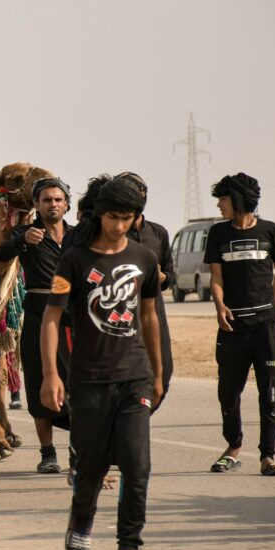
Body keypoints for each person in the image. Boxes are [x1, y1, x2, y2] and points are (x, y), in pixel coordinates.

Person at [41, 177, 163, 550]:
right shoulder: (74, 260)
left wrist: (158, 373)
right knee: (91, 467)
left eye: (127, 218)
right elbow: (52, 318)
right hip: (89, 379)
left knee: (137, 464)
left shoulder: (144, 258)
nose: (119, 226)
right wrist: (50, 375)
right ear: (99, 215)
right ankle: (82, 519)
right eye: (112, 217)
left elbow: (148, 317)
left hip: (135, 376)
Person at [205, 173, 275, 477]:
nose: (219, 204)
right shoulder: (218, 233)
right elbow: (216, 278)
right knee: (228, 393)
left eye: (223, 199)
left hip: (267, 327)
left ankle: (268, 456)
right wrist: (219, 305)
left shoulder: (271, 231)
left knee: (272, 391)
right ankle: (233, 448)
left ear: (238, 200)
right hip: (233, 329)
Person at [0, 178, 73, 473]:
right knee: (39, 380)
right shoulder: (27, 233)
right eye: (46, 200)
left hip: (73, 317)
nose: (53, 204)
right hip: (39, 313)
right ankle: (48, 452)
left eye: (57, 199)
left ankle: (79, 450)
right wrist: (21, 242)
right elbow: (1, 256)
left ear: (66, 204)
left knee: (77, 382)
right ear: (37, 205)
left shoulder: (78, 236)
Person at [117, 172, 176, 405]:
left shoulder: (158, 232)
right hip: (122, 314)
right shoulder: (112, 232)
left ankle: (136, 421)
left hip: (154, 312)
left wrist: (160, 276)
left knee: (164, 373)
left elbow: (170, 276)